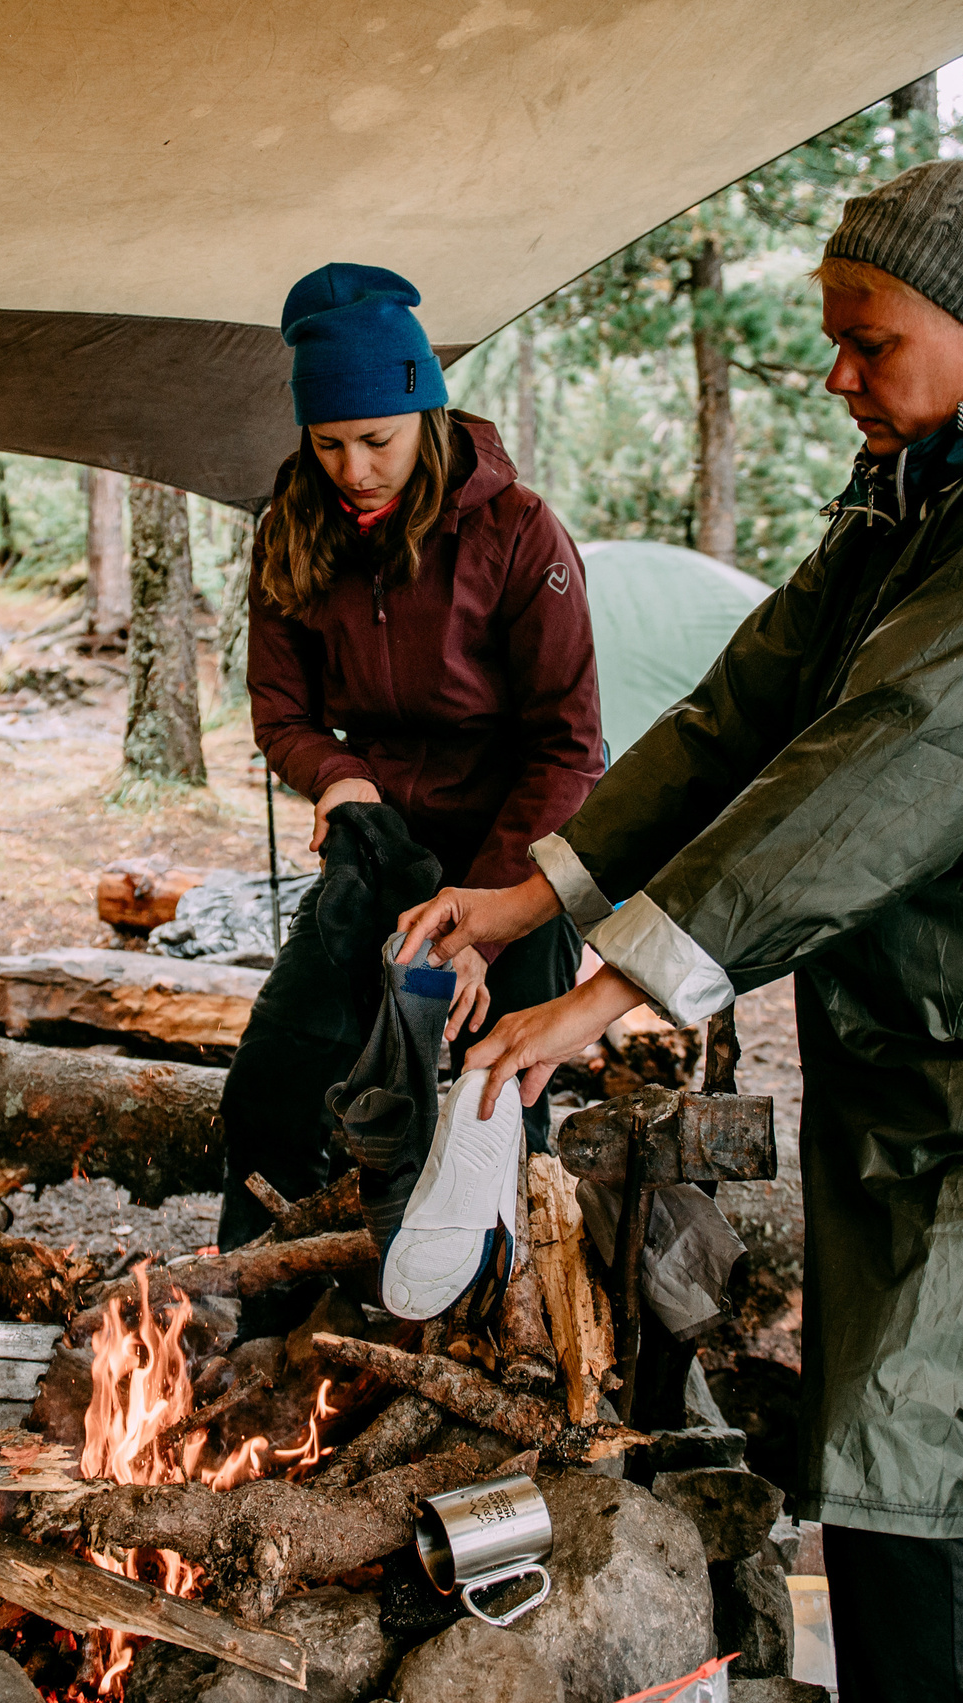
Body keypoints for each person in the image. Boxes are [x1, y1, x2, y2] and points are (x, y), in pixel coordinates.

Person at [397, 161, 963, 1703]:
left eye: (872, 340)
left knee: (904, 1424)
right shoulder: (931, 475)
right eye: (833, 334)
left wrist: (609, 995)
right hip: (929, 1000)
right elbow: (755, 702)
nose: (838, 372)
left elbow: (882, 771)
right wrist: (541, 883)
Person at [221, 262, 601, 1254]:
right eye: (329, 442)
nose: (353, 468)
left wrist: (489, 916)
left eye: (376, 440)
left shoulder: (520, 533)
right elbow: (281, 710)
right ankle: (267, 1304)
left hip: (515, 842)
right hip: (380, 842)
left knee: (492, 1098)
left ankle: (486, 1301)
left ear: (427, 414)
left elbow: (569, 746)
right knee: (278, 1076)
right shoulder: (293, 530)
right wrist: (333, 775)